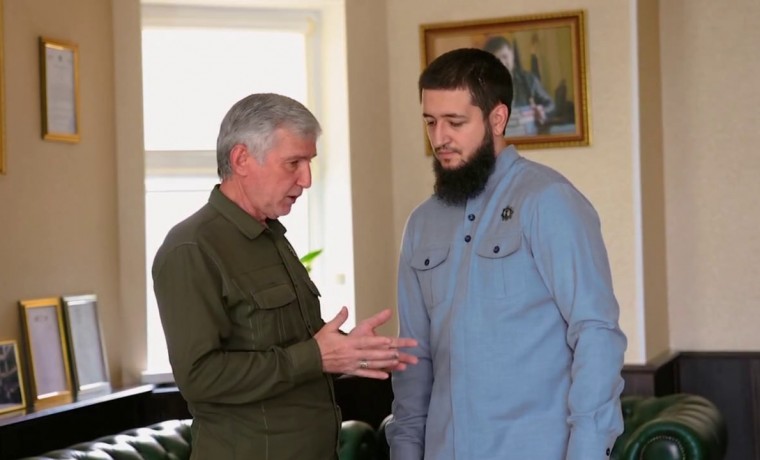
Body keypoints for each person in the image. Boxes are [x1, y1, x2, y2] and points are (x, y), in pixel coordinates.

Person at [386, 48, 626, 459]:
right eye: (430, 122)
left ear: (497, 118)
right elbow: (415, 355)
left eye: (455, 122)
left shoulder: (549, 201)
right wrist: (405, 451)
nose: (439, 138)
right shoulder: (422, 223)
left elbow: (596, 332)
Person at [152, 93, 418, 460]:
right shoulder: (191, 247)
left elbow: (297, 343)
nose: (306, 179)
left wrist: (354, 351)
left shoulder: (271, 236)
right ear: (241, 159)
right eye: (293, 163)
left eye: (309, 163)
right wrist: (316, 357)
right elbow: (199, 377)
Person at [483, 35, 555, 135]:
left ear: (512, 55)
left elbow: (551, 105)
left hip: (529, 138)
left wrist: (542, 111)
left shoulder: (529, 80)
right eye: (497, 60)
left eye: (505, 56)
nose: (503, 63)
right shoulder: (482, 87)